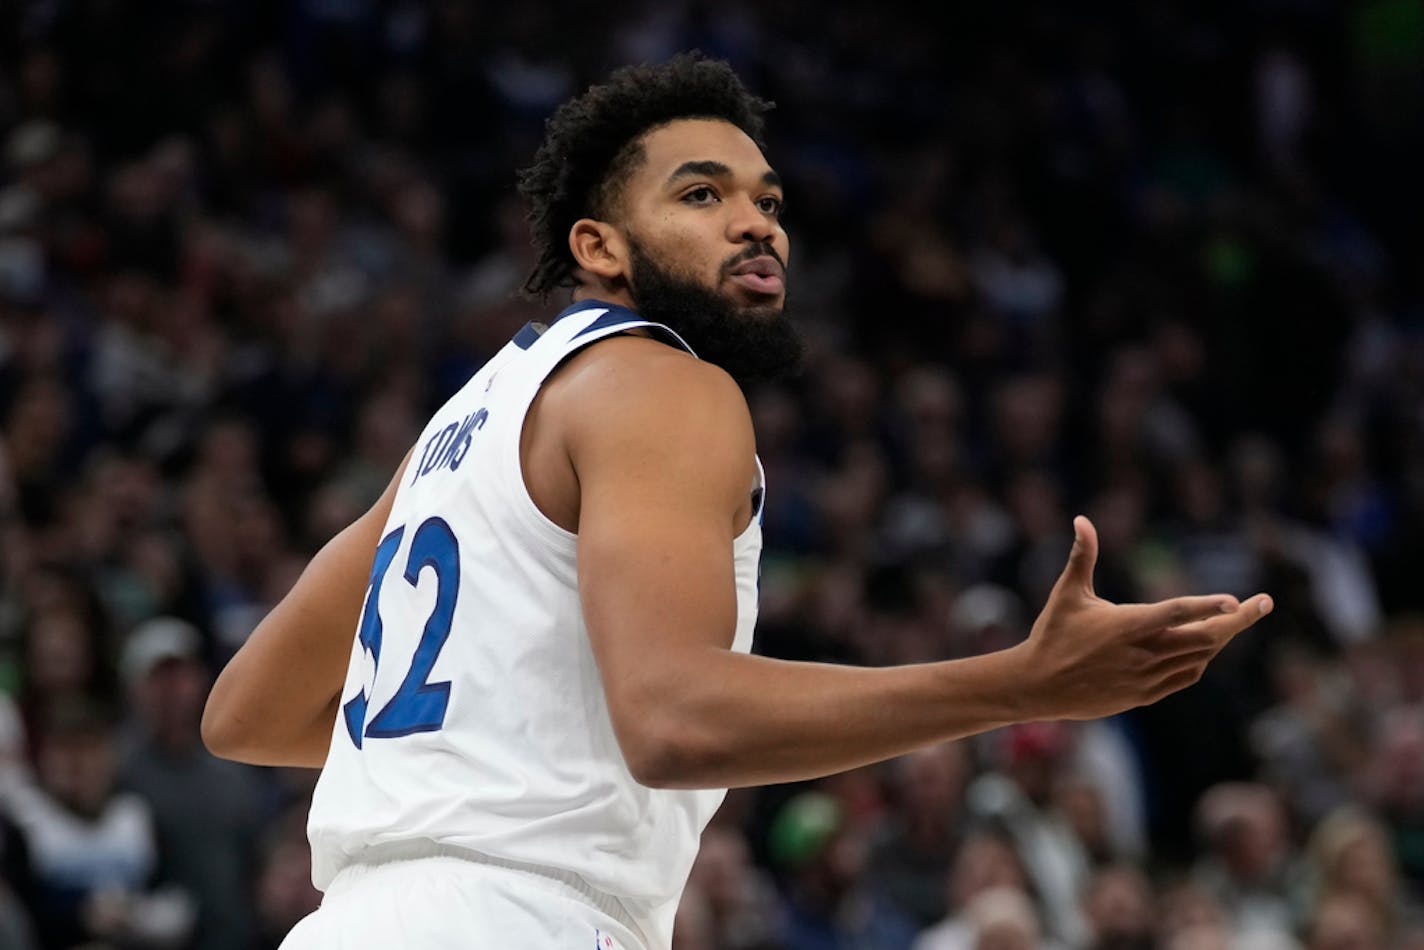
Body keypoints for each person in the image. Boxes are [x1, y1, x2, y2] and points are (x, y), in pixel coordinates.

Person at [200, 52, 1274, 950]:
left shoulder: (459, 426)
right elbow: (672, 718)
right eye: (700, 195)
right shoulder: (665, 380)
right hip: (516, 916)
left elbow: (246, 712)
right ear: (597, 245)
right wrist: (1019, 683)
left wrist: (468, 755)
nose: (755, 225)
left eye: (768, 201)